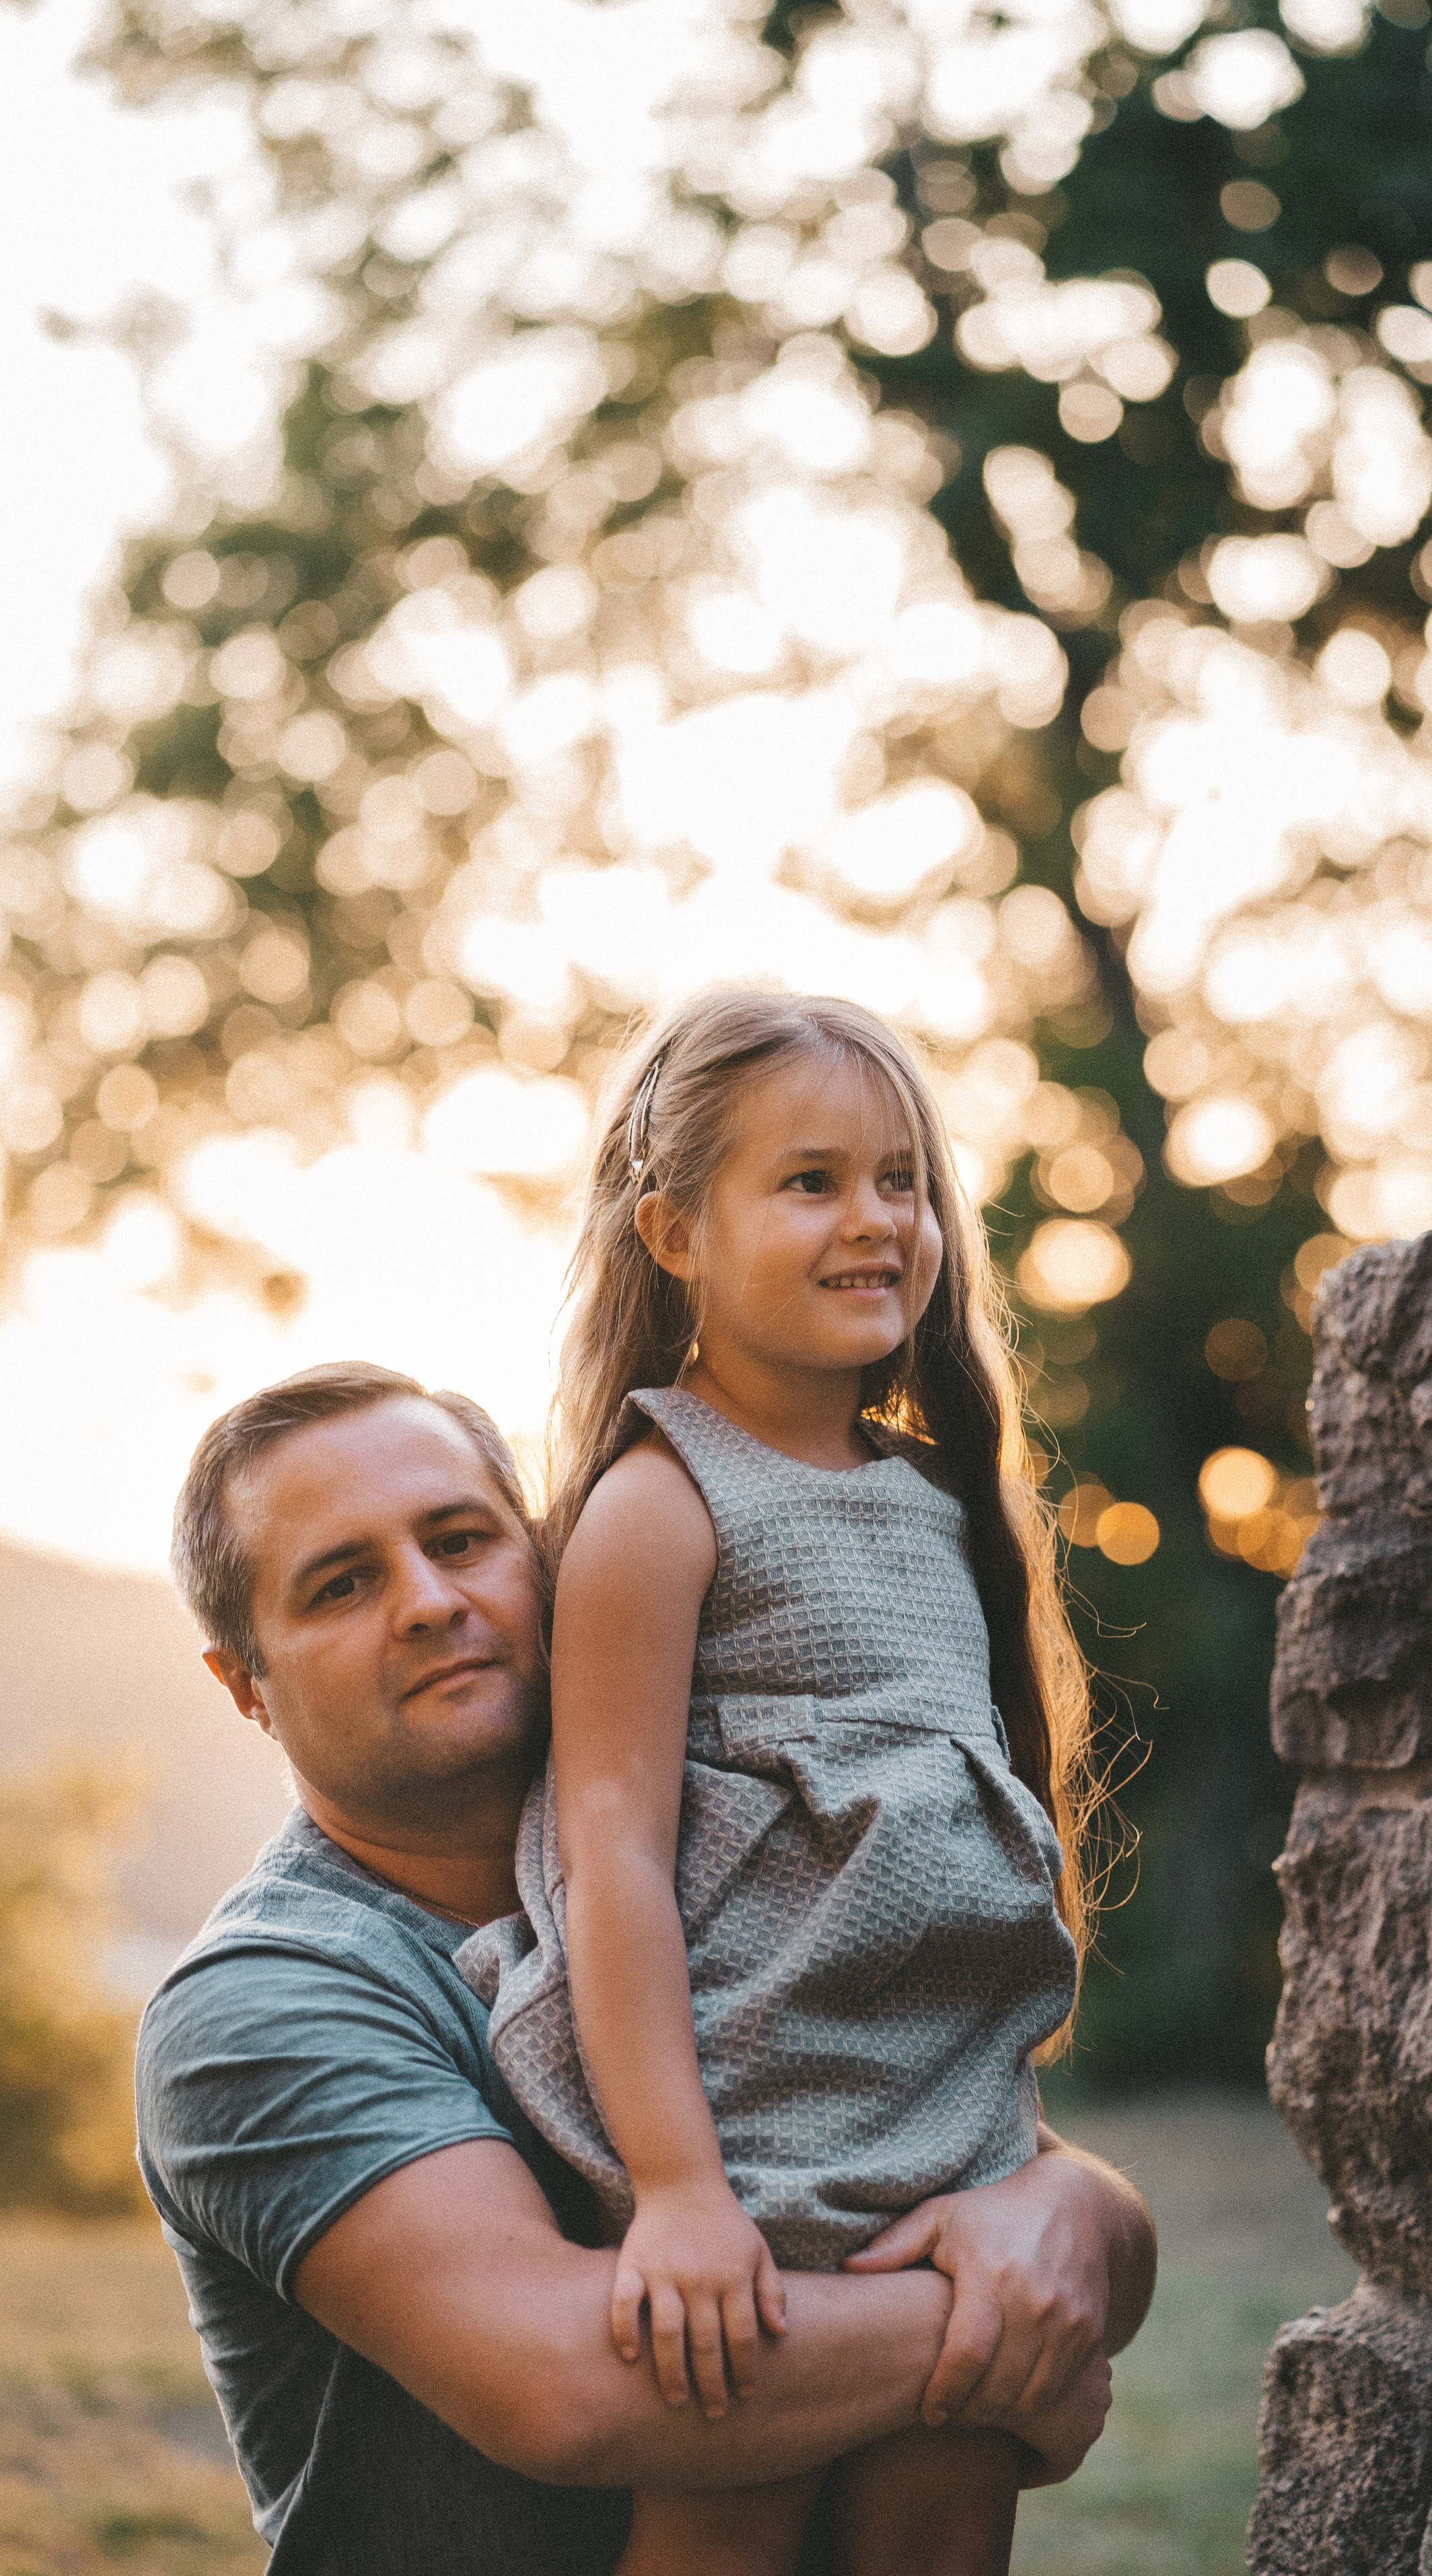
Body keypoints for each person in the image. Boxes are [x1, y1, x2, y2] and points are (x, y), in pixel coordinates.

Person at [137, 1358, 1155, 2575]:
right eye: (342, 1584)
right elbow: (571, 2385)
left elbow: (1005, 2174)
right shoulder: (263, 2002)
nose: (426, 1601)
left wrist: (1077, 2216)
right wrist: (1001, 2341)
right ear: (245, 1684)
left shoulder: (709, 1851)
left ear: (543, 1557)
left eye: (462, 1540)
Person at [465, 990, 1110, 2576]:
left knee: (943, 2508)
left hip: (942, 2132)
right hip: (751, 2138)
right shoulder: (660, 1500)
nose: (874, 1219)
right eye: (810, 1182)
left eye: (901, 1180)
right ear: (674, 1231)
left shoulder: (942, 1506)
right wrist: (680, 2191)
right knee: (728, 2522)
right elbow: (607, 1861)